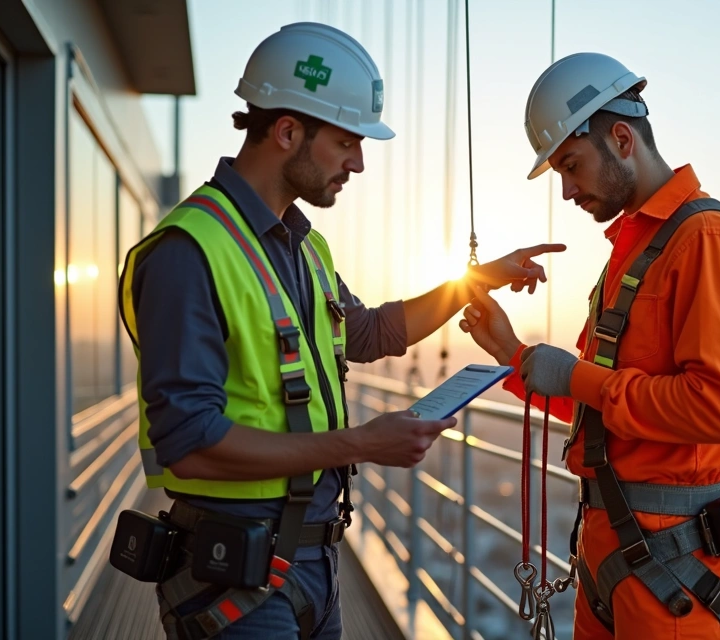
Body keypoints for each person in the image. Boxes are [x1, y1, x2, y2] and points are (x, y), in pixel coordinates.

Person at [118, 23, 562, 639]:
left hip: (313, 561)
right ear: (288, 131)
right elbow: (188, 442)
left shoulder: (304, 247)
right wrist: (359, 444)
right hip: (234, 572)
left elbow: (370, 332)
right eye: (347, 141)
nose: (357, 162)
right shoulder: (187, 253)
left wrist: (474, 280)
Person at [459, 53, 720, 639]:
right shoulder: (634, 251)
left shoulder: (706, 241)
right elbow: (603, 412)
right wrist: (513, 355)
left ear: (622, 139)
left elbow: (715, 409)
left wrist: (570, 375)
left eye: (572, 165)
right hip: (616, 554)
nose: (568, 189)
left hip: (674, 574)